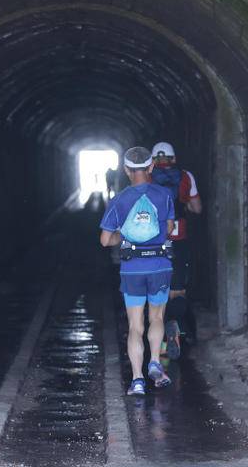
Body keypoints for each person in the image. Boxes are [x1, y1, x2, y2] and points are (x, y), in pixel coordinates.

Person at [99, 147, 175, 395]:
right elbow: (169, 229)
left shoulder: (119, 200)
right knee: (157, 318)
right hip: (160, 266)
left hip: (132, 269)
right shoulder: (164, 195)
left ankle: (138, 380)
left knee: (135, 326)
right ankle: (155, 360)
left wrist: (126, 235)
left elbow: (105, 240)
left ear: (126, 170)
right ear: (151, 166)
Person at [150, 142, 202, 360]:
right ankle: (174, 325)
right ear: (173, 157)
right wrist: (185, 205)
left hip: (153, 242)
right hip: (179, 241)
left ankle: (161, 338)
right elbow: (197, 208)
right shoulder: (185, 176)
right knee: (178, 291)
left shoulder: (147, 176)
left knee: (157, 294)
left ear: (153, 160)